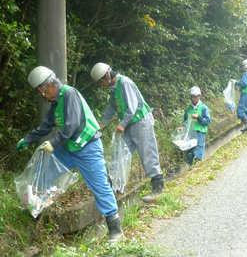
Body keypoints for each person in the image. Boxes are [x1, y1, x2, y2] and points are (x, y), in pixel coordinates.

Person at [16, 66, 124, 243]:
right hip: (69, 148)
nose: (40, 95)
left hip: (88, 147)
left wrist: (53, 143)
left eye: (39, 91)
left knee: (100, 187)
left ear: (47, 85)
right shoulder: (56, 102)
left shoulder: (69, 94)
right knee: (46, 170)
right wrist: (27, 139)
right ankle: (36, 208)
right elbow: (46, 125)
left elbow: (72, 124)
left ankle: (115, 229)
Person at [90, 62, 164, 203]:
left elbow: (132, 106)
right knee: (120, 154)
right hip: (130, 124)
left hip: (141, 121)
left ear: (107, 76)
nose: (101, 85)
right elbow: (112, 108)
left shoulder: (125, 82)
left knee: (148, 154)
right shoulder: (113, 88)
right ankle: (115, 187)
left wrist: (122, 124)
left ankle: (158, 189)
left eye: (101, 81)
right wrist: (101, 124)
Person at [182, 86, 210, 165]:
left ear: (199, 96)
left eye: (194, 97)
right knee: (190, 155)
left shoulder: (203, 108)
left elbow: (207, 121)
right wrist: (182, 127)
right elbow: (185, 121)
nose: (192, 99)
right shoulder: (188, 109)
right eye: (191, 97)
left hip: (200, 133)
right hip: (190, 134)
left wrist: (198, 117)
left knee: (198, 154)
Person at [231, 59, 247, 133]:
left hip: (246, 95)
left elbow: (244, 84)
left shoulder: (246, 74)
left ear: (245, 66)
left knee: (240, 111)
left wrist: (236, 82)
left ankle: (246, 123)